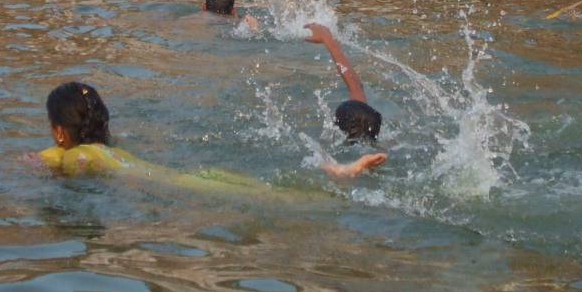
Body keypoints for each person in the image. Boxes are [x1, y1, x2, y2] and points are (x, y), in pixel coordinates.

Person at [37, 81, 381, 187]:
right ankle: (334, 174)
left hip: (186, 186)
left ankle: (340, 176)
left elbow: (53, 161)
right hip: (198, 176)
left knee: (278, 197)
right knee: (268, 189)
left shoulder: (76, 156)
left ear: (58, 131)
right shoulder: (108, 150)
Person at [303, 24, 385, 152]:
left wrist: (328, 39)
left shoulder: (338, 156)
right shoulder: (378, 147)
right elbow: (356, 86)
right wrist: (328, 41)